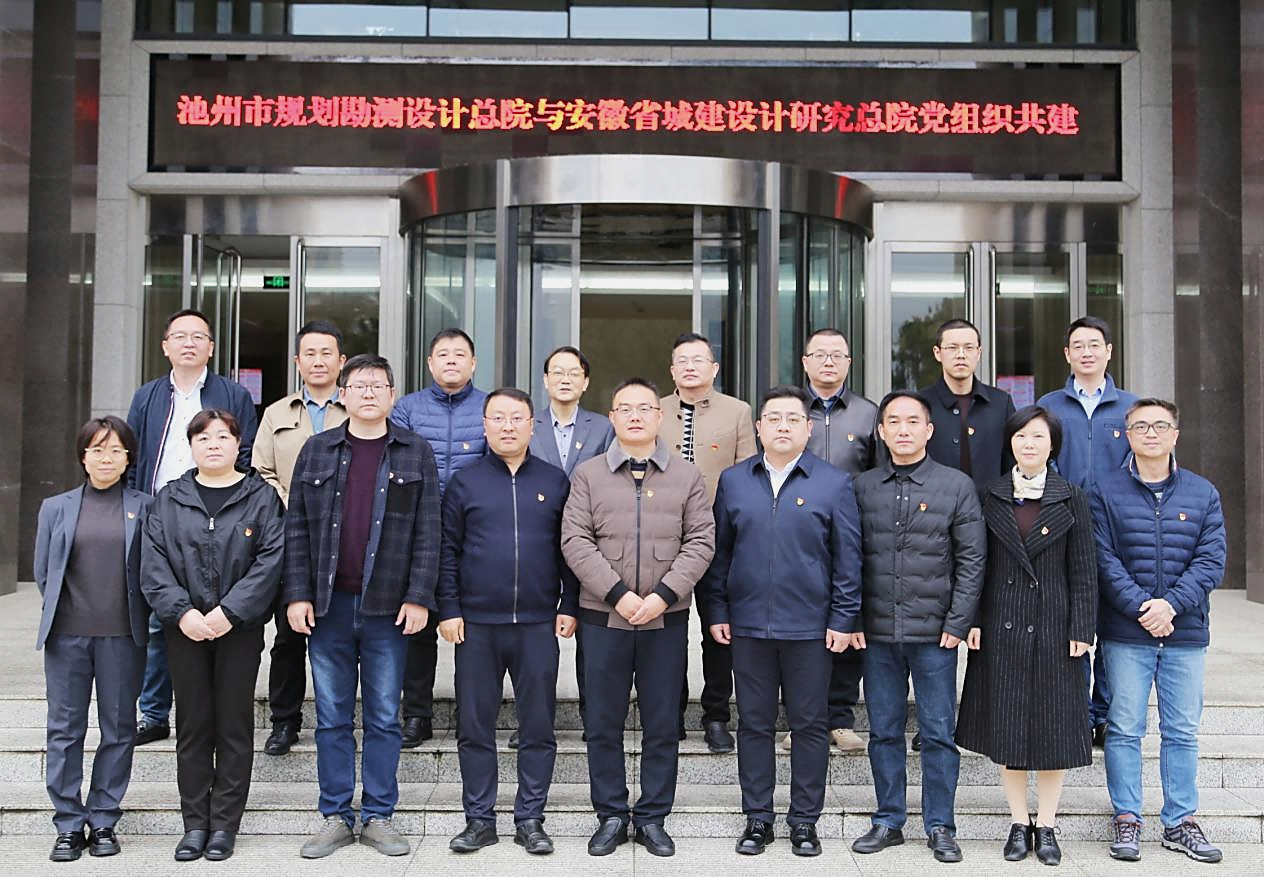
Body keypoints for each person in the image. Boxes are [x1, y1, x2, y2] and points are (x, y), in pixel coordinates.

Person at [285, 354, 441, 859]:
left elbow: (429, 531)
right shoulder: (317, 449)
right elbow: (296, 529)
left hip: (388, 609)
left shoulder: (415, 451)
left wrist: (419, 596)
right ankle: (335, 814)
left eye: (379, 385)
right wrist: (297, 593)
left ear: (393, 395)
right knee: (331, 716)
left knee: (383, 717)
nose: (369, 392)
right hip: (327, 606)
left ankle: (378, 815)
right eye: (360, 385)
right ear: (343, 394)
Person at [705, 386, 862, 857]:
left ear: (808, 428)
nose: (783, 426)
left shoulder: (833, 483)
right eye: (773, 418)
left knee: (810, 726)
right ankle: (758, 818)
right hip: (748, 625)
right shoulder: (734, 481)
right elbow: (719, 555)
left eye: (793, 419)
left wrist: (843, 618)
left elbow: (848, 561)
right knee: (753, 724)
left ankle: (804, 822)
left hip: (810, 628)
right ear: (759, 427)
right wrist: (717, 610)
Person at [562, 378, 715, 859]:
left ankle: (651, 817)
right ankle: (610, 814)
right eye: (624, 408)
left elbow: (701, 541)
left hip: (664, 620)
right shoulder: (588, 475)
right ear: (611, 417)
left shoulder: (687, 476)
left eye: (644, 408)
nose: (634, 416)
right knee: (602, 722)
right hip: (601, 618)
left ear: (659, 416)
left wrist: (664, 595)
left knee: (662, 722)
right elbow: (575, 540)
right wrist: (618, 594)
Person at [439, 388, 579, 856]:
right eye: (497, 418)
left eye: (516, 418)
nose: (507, 426)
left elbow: (569, 550)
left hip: (537, 624)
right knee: (474, 726)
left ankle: (530, 818)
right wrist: (449, 608)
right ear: (484, 425)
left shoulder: (554, 481)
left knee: (538, 726)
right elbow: (447, 551)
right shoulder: (465, 482)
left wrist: (569, 604)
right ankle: (479, 819)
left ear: (531, 425)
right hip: (476, 625)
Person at [955, 406, 1097, 866]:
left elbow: (1084, 570)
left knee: (1055, 730)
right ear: (1010, 443)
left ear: (1052, 445)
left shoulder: (1071, 497)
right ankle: (1019, 822)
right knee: (1008, 728)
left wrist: (1082, 627)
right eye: (1020, 437)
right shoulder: (989, 494)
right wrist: (973, 619)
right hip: (1002, 624)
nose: (1028, 444)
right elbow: (975, 564)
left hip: (1056, 626)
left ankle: (1048, 825)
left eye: (1037, 436)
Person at [140, 409, 284, 862]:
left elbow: (271, 560)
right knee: (193, 725)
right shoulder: (169, 499)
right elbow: (153, 563)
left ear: (238, 444)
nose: (214, 444)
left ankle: (224, 825)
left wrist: (230, 612)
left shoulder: (261, 498)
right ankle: (194, 824)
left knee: (234, 724)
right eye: (203, 438)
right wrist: (182, 613)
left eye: (223, 436)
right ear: (191, 446)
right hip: (184, 629)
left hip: (238, 629)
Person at [849, 391, 984, 864]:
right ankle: (888, 820)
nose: (903, 430)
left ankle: (940, 825)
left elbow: (972, 560)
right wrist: (853, 618)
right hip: (877, 634)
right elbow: (847, 559)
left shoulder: (956, 485)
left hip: (935, 636)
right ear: (881, 431)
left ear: (929, 430)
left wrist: (959, 621)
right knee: (883, 731)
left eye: (913, 421)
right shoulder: (862, 487)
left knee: (938, 733)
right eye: (894, 422)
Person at [1092, 398, 1226, 864]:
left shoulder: (1203, 493)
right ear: (1127, 436)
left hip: (1184, 630)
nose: (1151, 433)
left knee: (1182, 730)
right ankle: (1127, 817)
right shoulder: (1104, 491)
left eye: (1160, 425)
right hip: (1126, 632)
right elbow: (1102, 559)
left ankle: (1180, 821)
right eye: (1141, 426)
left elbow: (1211, 561)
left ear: (1175, 434)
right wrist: (1141, 607)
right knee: (1124, 728)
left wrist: (1170, 605)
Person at [126, 308, 257, 748]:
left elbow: (245, 452)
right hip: (161, 515)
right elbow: (134, 457)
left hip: (218, 514)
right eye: (179, 336)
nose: (189, 343)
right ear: (165, 346)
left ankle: (209, 709)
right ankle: (153, 712)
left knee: (215, 611)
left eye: (198, 336)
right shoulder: (147, 396)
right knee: (160, 616)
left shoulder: (232, 394)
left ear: (211, 347)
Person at [34, 417, 151, 862]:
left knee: (119, 729)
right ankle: (67, 823)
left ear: (128, 458)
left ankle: (103, 819)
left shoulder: (145, 506)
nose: (107, 458)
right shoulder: (55, 508)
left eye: (116, 450)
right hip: (67, 637)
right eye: (97, 450)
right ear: (83, 456)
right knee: (65, 730)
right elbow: (44, 573)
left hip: (123, 636)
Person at [1037, 316, 1139, 748]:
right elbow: (1041, 460)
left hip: (1119, 533)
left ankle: (1105, 714)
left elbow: (1141, 463)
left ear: (1109, 351)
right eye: (1077, 345)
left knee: (1113, 628)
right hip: (1064, 529)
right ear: (1067, 354)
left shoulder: (1131, 408)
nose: (1086, 352)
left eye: (1094, 344)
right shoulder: (1050, 405)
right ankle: (1076, 711)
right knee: (1071, 626)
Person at [252, 320, 348, 757]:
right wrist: (294, 505)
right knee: (288, 635)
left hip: (346, 538)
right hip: (291, 536)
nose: (318, 361)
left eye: (327, 353)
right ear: (297, 361)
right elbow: (261, 472)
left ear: (341, 361)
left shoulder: (356, 408)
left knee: (340, 634)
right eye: (310, 353)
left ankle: (338, 719)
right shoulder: (276, 414)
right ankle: (284, 721)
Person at [659, 332, 756, 753]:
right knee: (668, 630)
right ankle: (670, 711)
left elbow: (747, 474)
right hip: (665, 539)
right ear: (672, 370)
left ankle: (716, 715)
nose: (690, 366)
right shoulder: (655, 410)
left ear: (714, 368)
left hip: (720, 538)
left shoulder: (738, 411)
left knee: (719, 630)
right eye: (682, 360)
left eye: (699, 360)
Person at [390, 328, 486, 747]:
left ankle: (473, 712)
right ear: (430, 363)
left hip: (475, 532)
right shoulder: (407, 408)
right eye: (443, 354)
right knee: (417, 625)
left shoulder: (488, 408)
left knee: (476, 628)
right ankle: (416, 714)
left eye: (459, 354)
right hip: (418, 530)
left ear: (473, 363)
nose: (451, 360)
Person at [797, 327, 879, 755]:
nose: (828, 361)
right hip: (797, 532)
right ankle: (803, 719)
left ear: (849, 363)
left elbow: (879, 473)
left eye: (837, 355)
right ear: (805, 362)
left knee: (849, 622)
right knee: (802, 628)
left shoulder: (869, 413)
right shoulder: (790, 410)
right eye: (820, 354)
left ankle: (841, 717)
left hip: (851, 532)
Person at [527, 345, 614, 747]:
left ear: (585, 382)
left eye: (573, 372)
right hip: (536, 537)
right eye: (557, 372)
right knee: (535, 636)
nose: (565, 379)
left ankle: (591, 716)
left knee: (589, 633)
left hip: (590, 540)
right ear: (545, 381)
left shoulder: (603, 428)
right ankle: (533, 719)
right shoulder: (527, 424)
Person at [920, 318, 1016, 491]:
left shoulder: (1001, 403)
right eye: (952, 348)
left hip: (991, 504)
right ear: (937, 353)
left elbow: (1012, 463)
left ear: (978, 353)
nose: (961, 355)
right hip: (934, 503)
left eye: (969, 348)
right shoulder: (921, 404)